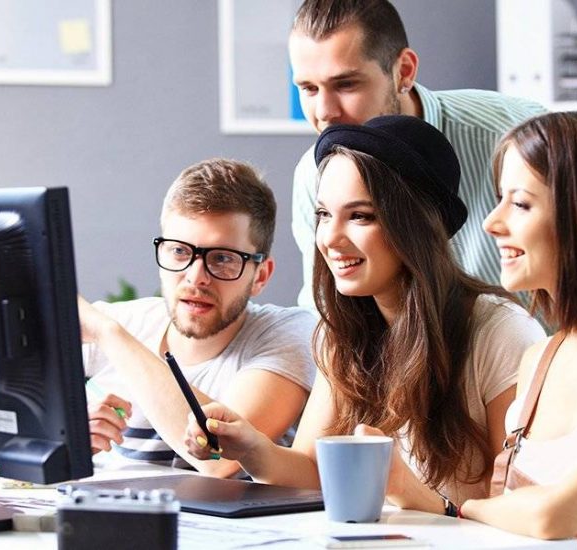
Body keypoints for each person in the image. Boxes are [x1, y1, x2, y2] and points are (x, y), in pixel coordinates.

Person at [185, 116, 545, 510]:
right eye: (324, 214)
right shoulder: (342, 334)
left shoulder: (502, 332)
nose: (330, 238)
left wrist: (404, 488)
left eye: (360, 216)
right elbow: (313, 474)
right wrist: (251, 447)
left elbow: (519, 512)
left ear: (417, 226)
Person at [289, 0, 546, 309]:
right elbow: (323, 309)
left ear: (404, 71)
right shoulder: (312, 175)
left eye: (346, 84)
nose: (324, 112)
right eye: (309, 89)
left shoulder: (513, 134)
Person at [80, 158, 316, 478]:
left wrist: (109, 335)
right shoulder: (125, 319)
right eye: (179, 251)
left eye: (222, 258)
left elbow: (219, 458)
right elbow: (11, 425)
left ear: (260, 276)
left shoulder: (289, 335)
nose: (196, 277)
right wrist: (63, 435)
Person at [457, 111, 577, 548]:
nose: (491, 222)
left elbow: (555, 515)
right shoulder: (539, 360)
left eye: (520, 204)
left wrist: (470, 507)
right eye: (500, 198)